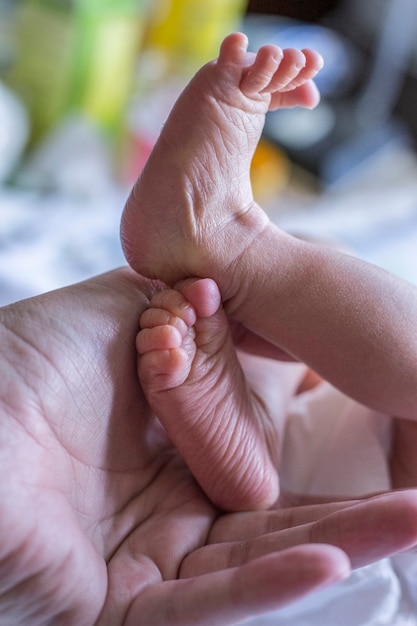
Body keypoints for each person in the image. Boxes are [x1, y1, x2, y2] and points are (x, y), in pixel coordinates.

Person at [2, 267, 417, 626]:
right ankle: (257, 419)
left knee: (294, 332)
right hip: (287, 579)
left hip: (327, 489)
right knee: (292, 351)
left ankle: (250, 252)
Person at [121, 32, 417, 511]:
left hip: (387, 473)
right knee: (324, 256)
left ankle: (236, 245)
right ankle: (255, 418)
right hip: (338, 433)